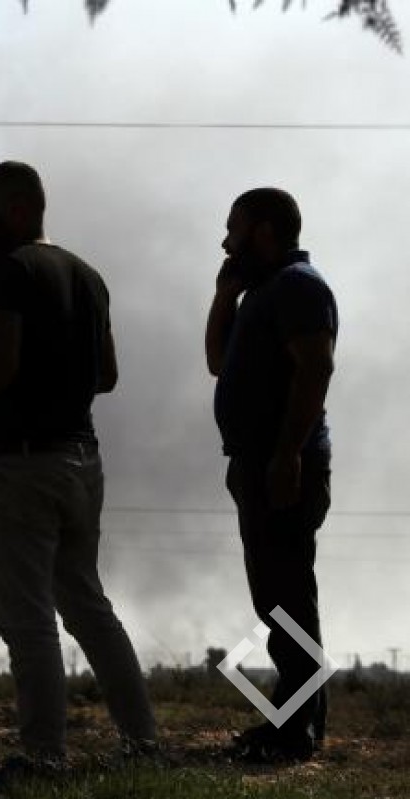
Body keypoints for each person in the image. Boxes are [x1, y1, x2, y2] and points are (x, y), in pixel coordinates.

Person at [0, 161, 156, 787]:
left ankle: (42, 761)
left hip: (22, 466)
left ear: (15, 210)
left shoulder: (8, 272)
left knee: (27, 619)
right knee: (89, 608)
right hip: (82, 462)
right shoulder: (88, 276)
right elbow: (107, 375)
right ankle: (143, 745)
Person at [206, 188, 338, 763]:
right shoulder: (263, 291)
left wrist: (287, 455)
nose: (225, 241)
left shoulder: (298, 287)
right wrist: (223, 296)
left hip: (282, 466)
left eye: (233, 229)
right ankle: (296, 724)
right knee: (279, 598)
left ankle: (294, 732)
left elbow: (316, 368)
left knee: (285, 597)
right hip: (258, 463)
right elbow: (217, 361)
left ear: (262, 231)